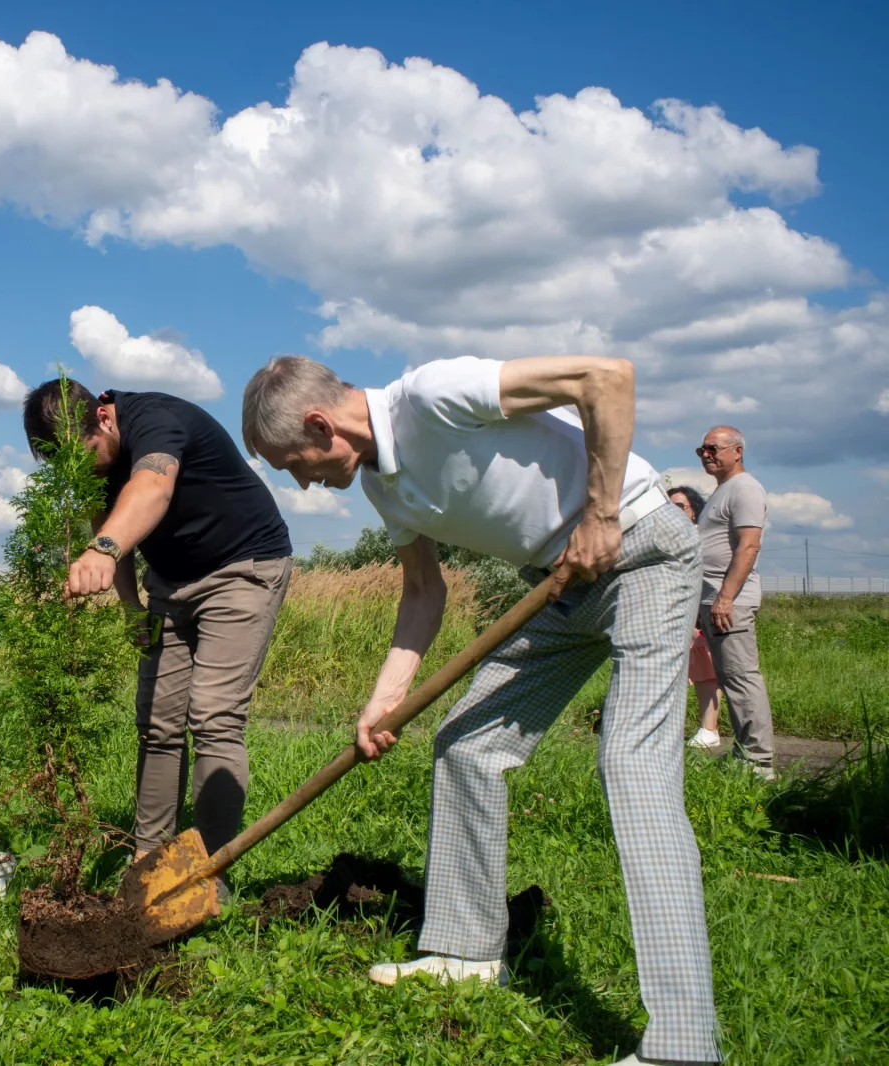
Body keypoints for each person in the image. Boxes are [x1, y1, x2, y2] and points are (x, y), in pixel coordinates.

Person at [242, 354, 717, 1066]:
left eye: (294, 465)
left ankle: (684, 1045)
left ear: (319, 424)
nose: (301, 482)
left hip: (642, 552)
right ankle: (466, 952)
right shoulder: (381, 486)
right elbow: (423, 592)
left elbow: (607, 379)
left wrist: (601, 513)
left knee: (633, 768)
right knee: (466, 744)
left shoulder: (432, 395)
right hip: (560, 587)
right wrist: (385, 699)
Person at [22, 380, 293, 867]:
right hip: (169, 582)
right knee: (157, 723)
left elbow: (153, 488)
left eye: (84, 455)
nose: (82, 470)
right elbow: (106, 522)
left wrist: (102, 551)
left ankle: (209, 870)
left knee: (214, 719)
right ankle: (148, 861)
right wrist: (131, 606)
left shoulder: (156, 422)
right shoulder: (93, 461)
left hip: (242, 568)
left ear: (103, 418)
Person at [695, 425, 775, 780]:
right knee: (730, 678)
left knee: (741, 678)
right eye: (702, 450)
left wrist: (725, 598)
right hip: (714, 599)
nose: (706, 455)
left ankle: (759, 762)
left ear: (738, 451)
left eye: (713, 448)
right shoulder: (723, 491)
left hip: (730, 602)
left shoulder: (744, 489)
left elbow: (749, 545)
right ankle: (746, 752)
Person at [668, 486, 722, 751]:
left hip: (695, 612)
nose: (673, 511)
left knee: (704, 672)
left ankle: (709, 729)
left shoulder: (699, 537)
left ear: (694, 511)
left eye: (680, 506)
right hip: (668, 613)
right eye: (669, 505)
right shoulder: (665, 537)